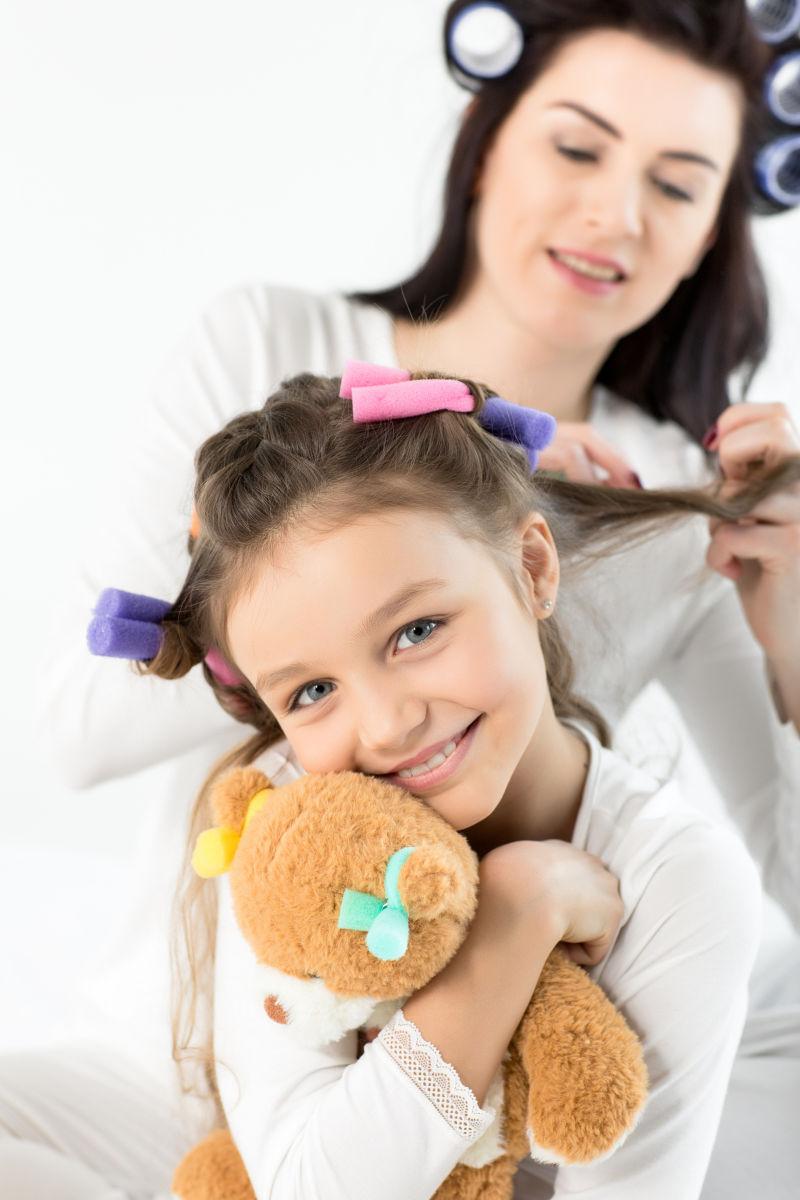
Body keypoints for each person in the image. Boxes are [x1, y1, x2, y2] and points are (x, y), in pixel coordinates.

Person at [13, 0, 798, 1196]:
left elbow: (770, 877)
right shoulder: (269, 342)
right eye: (576, 147)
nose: (612, 216)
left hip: (468, 1103)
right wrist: (385, 498)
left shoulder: (666, 504)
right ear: (485, 145)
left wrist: (787, 621)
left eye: (675, 184)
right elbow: (71, 734)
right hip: (173, 1066)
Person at [103, 364, 798, 1199]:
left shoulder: (678, 878)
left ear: (533, 570)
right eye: (312, 692)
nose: (389, 724)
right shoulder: (284, 825)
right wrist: (512, 919)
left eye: (417, 630)